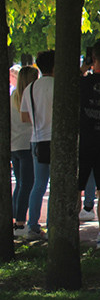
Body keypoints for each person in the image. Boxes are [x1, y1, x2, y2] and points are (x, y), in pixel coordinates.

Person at [79, 41, 100, 250]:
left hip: (85, 139)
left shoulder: (82, 82)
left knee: (77, 186)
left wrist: (84, 66)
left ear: (92, 59)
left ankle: (70, 230)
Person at [20, 50, 55, 242]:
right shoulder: (60, 85)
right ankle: (53, 223)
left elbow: (24, 117)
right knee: (57, 184)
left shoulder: (31, 88)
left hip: (37, 138)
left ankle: (33, 225)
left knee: (38, 185)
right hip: (56, 140)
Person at [11, 65, 39, 238]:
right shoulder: (29, 96)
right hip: (27, 143)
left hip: (15, 144)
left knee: (21, 184)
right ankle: (21, 222)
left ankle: (17, 219)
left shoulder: (13, 95)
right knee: (28, 184)